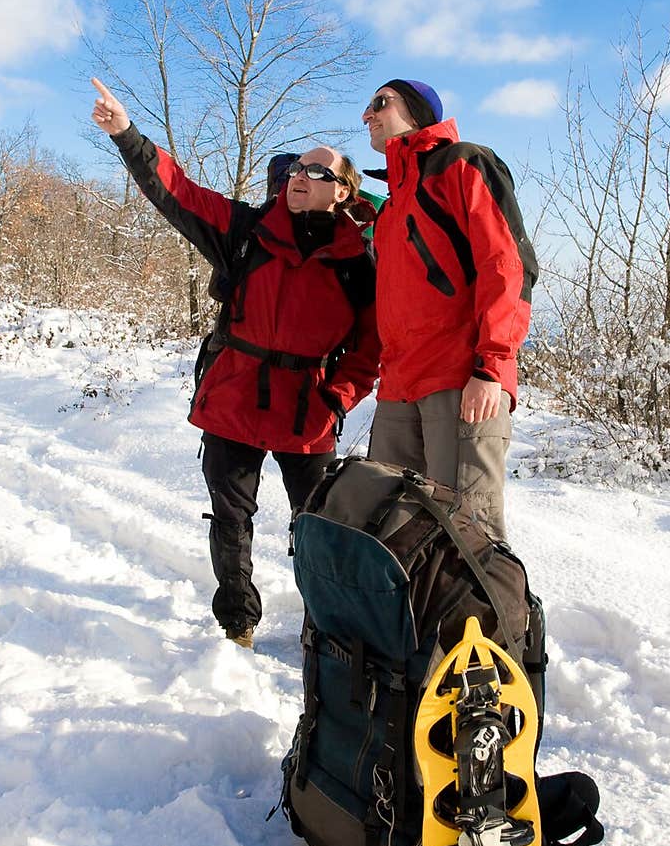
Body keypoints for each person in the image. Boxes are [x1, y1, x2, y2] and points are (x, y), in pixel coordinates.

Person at [91, 77, 380, 650]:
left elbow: (372, 349)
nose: (300, 175)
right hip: (234, 397)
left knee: (317, 527)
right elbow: (178, 192)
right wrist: (127, 135)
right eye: (297, 167)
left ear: (344, 192)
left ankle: (323, 627)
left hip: (308, 409)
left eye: (318, 172)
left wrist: (337, 395)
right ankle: (238, 622)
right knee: (230, 519)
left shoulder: (359, 261)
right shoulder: (246, 231)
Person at [361, 78, 538, 544]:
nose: (368, 115)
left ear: (417, 111)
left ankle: (490, 620)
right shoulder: (393, 205)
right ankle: (410, 621)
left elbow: (509, 267)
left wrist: (491, 367)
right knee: (391, 530)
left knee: (468, 536)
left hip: (462, 383)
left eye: (380, 103)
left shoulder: (462, 165)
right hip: (399, 388)